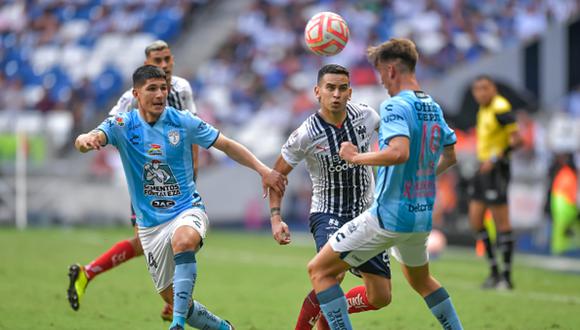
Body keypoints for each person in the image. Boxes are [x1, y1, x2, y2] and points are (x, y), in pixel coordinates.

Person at [74, 65, 286, 330]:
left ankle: (176, 326)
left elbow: (227, 145)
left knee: (184, 240)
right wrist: (86, 139)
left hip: (187, 210)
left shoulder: (183, 121)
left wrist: (263, 170)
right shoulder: (122, 125)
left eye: (163, 88)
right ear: (136, 94)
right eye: (152, 88)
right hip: (150, 227)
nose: (160, 94)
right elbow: (87, 138)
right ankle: (223, 328)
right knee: (178, 302)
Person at [306, 38, 462, 330]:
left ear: (391, 70)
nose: (382, 83)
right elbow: (450, 156)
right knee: (421, 281)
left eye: (380, 74)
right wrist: (422, 176)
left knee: (319, 270)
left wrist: (356, 157)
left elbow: (398, 152)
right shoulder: (432, 105)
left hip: (388, 215)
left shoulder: (394, 105)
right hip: (421, 215)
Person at [67, 40, 199, 320]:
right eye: (157, 61)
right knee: (152, 242)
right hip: (149, 184)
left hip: (179, 183)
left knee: (180, 238)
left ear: (172, 59)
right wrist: (93, 139)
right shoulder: (131, 99)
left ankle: (90, 274)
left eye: (167, 60)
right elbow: (112, 128)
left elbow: (194, 135)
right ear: (146, 64)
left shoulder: (183, 89)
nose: (163, 66)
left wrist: (194, 175)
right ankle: (173, 302)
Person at [268, 64, 392, 330]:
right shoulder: (305, 134)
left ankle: (330, 308)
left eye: (341, 88)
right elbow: (276, 175)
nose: (336, 94)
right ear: (317, 91)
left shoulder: (367, 117)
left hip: (367, 214)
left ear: (350, 91)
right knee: (330, 276)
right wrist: (276, 217)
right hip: (329, 214)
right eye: (330, 88)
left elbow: (392, 147)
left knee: (381, 296)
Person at [468, 75, 521, 290]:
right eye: (477, 89)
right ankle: (494, 273)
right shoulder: (483, 110)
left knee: (502, 223)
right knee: (476, 219)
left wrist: (495, 159)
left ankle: (506, 278)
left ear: (493, 89)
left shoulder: (500, 107)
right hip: (483, 169)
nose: (481, 93)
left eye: (485, 88)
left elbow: (517, 139)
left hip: (497, 170)